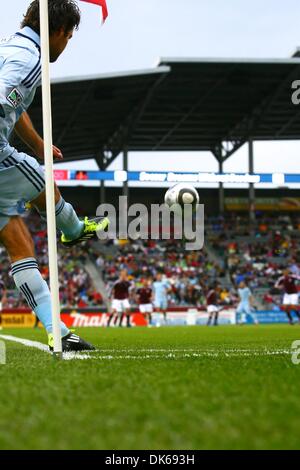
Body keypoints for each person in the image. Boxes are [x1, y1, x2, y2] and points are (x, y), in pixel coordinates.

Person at [0, 1, 109, 351]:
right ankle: (73, 229)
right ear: (59, 31)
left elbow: (15, 110)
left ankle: (57, 332)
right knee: (42, 182)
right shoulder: (28, 59)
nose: (67, 44)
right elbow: (3, 97)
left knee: (18, 240)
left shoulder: (9, 47)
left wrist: (38, 143)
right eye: (70, 37)